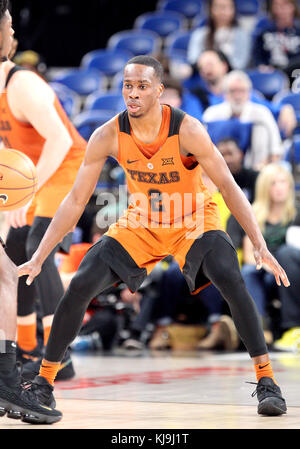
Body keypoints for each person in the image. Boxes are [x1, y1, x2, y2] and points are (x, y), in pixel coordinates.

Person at [19, 55, 290, 421]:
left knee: (229, 276)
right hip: (142, 223)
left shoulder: (187, 129)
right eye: (127, 85)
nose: (133, 93)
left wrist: (258, 243)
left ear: (160, 91)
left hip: (192, 218)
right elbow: (75, 200)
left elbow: (228, 185)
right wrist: (40, 255)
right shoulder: (108, 134)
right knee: (81, 281)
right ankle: (44, 384)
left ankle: (267, 380)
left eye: (142, 86)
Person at [0, 3, 86, 381]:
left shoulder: (22, 85)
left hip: (69, 164)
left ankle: (60, 356)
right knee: (14, 250)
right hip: (35, 172)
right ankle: (26, 349)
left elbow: (62, 139)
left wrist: (29, 194)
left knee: (40, 245)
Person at [0, 0, 62, 424]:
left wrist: (20, 196)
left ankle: (10, 373)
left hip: (55, 170)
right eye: (8, 25)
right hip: (26, 175)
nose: (14, 34)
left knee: (9, 268)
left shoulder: (21, 83)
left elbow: (60, 139)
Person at [240, 164, 300, 339]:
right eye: (273, 183)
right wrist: (268, 267)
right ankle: (258, 328)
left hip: (292, 272)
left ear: (289, 185)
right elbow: (249, 254)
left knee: (285, 253)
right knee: (248, 271)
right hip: (264, 271)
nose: (279, 187)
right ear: (265, 187)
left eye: (283, 182)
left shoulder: (297, 213)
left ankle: (292, 326)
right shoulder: (253, 214)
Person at [202, 70, 291, 169]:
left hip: (257, 169)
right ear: (225, 94)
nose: (237, 96)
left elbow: (276, 150)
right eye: (233, 91)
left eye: (242, 91)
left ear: (249, 93)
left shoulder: (262, 113)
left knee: (260, 127)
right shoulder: (211, 114)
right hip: (218, 170)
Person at [187, 0, 251, 70]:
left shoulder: (242, 35)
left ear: (234, 10)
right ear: (211, 9)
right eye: (219, 7)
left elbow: (240, 64)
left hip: (231, 75)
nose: (222, 11)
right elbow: (193, 59)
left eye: (226, 7)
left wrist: (221, 66)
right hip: (204, 73)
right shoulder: (200, 34)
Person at [252, 0, 300, 71]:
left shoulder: (298, 33)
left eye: (285, 5)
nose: (280, 9)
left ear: (293, 7)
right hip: (270, 76)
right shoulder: (264, 33)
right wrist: (262, 66)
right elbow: (257, 58)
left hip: (295, 74)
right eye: (276, 5)